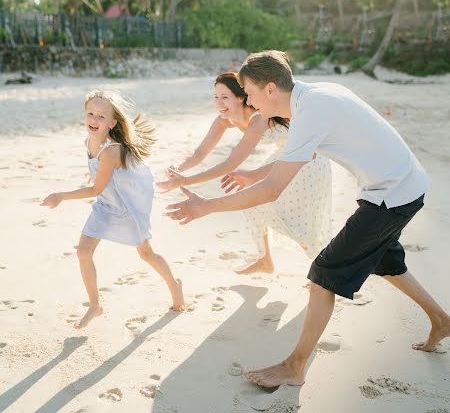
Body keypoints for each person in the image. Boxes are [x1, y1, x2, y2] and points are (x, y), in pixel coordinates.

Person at [167, 51, 450, 388]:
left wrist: (206, 206)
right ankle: (440, 319)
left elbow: (272, 190)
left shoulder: (310, 112)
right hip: (402, 185)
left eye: (250, 93)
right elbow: (294, 160)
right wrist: (249, 176)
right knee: (387, 261)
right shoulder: (315, 96)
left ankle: (294, 365)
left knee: (323, 273)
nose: (248, 100)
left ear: (270, 89)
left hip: (391, 195)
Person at [157, 71, 332, 273]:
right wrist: (178, 170)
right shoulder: (223, 121)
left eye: (224, 97)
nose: (219, 103)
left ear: (241, 98)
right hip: (282, 157)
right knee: (252, 202)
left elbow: (231, 163)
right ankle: (265, 259)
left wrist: (185, 181)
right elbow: (200, 152)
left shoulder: (259, 118)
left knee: (294, 220)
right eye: (215, 97)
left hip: (308, 159)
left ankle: (323, 267)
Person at [41, 90, 184, 329]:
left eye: (101, 116)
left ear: (112, 123)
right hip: (105, 207)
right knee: (83, 252)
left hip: (125, 207)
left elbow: (96, 189)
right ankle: (95, 306)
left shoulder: (111, 151)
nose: (94, 120)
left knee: (146, 253)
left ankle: (174, 285)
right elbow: (101, 176)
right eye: (90, 114)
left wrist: (60, 196)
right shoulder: (89, 142)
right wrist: (95, 171)